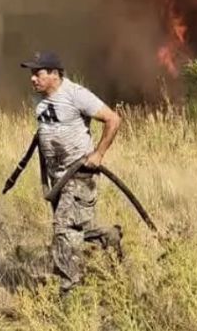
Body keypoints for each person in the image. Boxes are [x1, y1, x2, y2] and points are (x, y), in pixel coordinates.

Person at [19, 50, 124, 295]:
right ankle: (109, 236)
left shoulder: (76, 95)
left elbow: (113, 119)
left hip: (78, 175)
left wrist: (98, 154)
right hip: (57, 177)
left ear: (55, 74)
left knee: (64, 230)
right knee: (79, 229)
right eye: (31, 73)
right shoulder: (40, 99)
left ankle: (70, 295)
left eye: (38, 73)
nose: (33, 78)